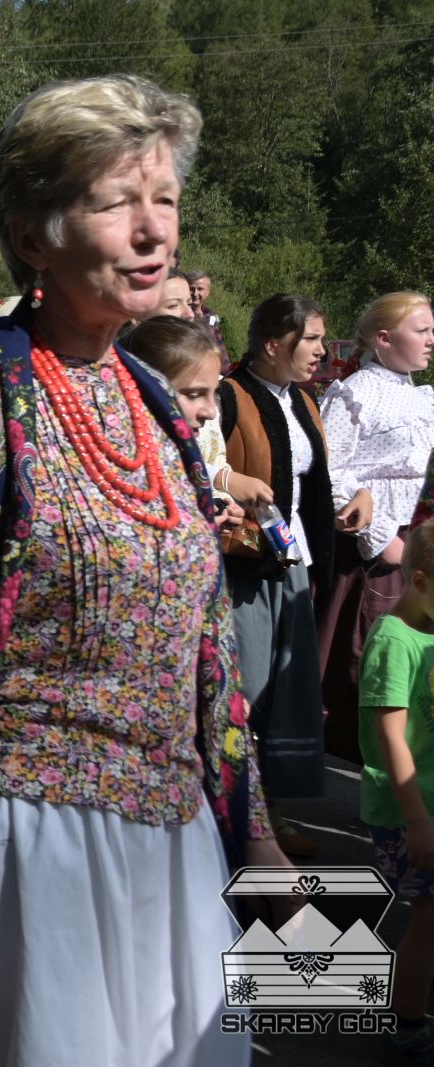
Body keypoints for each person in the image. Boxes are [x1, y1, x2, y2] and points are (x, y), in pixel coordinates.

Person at [0, 75, 283, 1067]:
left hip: (178, 853)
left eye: (163, 199)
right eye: (117, 201)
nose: (152, 229)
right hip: (31, 863)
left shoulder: (162, 408)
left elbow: (208, 652)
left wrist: (261, 839)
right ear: (33, 233)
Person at [221, 294, 373, 858]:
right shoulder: (230, 396)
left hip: (295, 563)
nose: (320, 351)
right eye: (310, 339)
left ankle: (269, 814)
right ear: (272, 343)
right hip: (247, 566)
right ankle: (240, 818)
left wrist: (357, 496)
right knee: (249, 689)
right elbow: (202, 461)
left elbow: (309, 481)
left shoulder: (305, 403)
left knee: (286, 694)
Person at [315, 292, 434, 764]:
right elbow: (328, 470)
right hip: (368, 553)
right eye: (421, 330)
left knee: (405, 668)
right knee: (365, 662)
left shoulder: (419, 395)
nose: (431, 340)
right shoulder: (356, 393)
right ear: (384, 340)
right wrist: (382, 536)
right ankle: (383, 788)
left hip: (411, 545)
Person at [357, 521, 434, 1066]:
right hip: (412, 812)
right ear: (423, 582)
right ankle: (407, 1027)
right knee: (428, 923)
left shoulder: (429, 628)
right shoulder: (394, 641)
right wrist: (420, 820)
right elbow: (391, 739)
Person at [122, 316, 247, 535]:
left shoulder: (184, 454)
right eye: (193, 394)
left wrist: (217, 505)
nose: (210, 412)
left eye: (213, 394)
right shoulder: (122, 468)